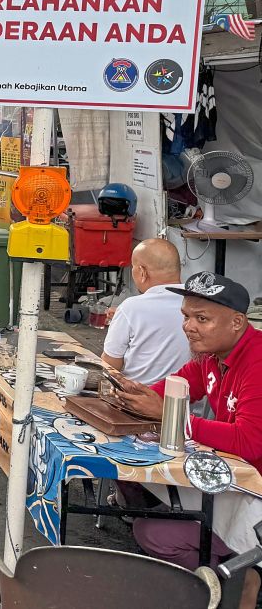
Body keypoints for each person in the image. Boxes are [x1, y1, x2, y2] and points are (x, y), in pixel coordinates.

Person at [116, 273, 262, 608]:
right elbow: (176, 388)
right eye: (186, 316)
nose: (188, 326)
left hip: (253, 493)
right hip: (229, 479)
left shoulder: (257, 360)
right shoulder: (211, 356)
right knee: (130, 478)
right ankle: (222, 569)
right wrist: (131, 398)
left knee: (151, 533)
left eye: (202, 318)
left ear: (237, 322)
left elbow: (249, 440)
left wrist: (172, 416)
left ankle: (240, 576)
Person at [100, 238, 189, 383]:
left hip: (138, 400)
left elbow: (109, 366)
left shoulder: (130, 308)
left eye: (134, 267)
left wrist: (124, 317)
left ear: (142, 272)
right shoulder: (199, 304)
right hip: (190, 401)